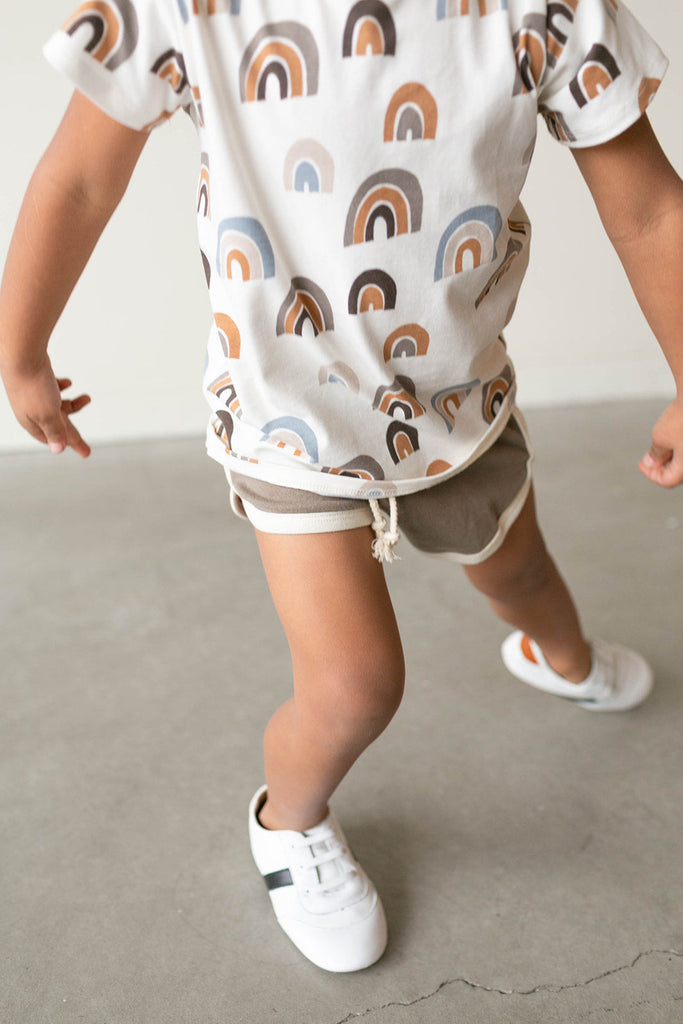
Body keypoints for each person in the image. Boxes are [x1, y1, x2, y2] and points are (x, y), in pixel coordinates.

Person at [1, 0, 681, 975]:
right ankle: (290, 820)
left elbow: (647, 203)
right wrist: (20, 349)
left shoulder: (541, 11)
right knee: (355, 684)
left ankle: (559, 656)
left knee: (521, 571)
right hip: (290, 425)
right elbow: (78, 178)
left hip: (456, 407)